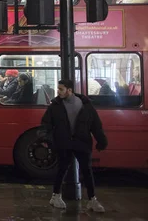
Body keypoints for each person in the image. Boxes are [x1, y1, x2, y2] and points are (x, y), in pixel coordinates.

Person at [40, 79, 107, 212]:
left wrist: (101, 140)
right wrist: (45, 138)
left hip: (81, 142)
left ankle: (92, 200)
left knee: (87, 171)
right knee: (62, 169)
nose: (58, 92)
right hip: (64, 142)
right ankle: (55, 196)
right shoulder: (55, 105)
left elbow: (95, 125)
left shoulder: (86, 105)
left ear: (69, 90)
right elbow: (46, 123)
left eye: (61, 89)